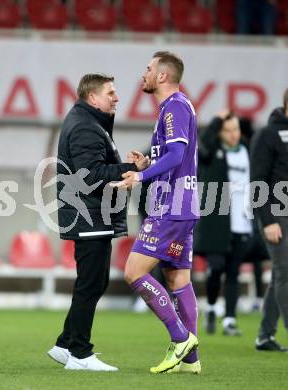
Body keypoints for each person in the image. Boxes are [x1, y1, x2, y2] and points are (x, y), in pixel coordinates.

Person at [47, 73, 149, 371]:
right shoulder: (85, 127)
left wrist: (131, 168)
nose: (116, 97)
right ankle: (80, 354)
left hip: (92, 214)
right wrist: (130, 169)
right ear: (93, 97)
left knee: (92, 282)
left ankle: (65, 344)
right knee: (91, 283)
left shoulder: (88, 123)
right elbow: (89, 175)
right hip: (90, 215)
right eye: (111, 92)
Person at [111, 51, 200, 374]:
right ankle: (191, 361)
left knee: (134, 272)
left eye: (148, 68)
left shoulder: (174, 106)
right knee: (178, 278)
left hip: (171, 206)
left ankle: (180, 339)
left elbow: (177, 154)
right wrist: (149, 163)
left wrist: (141, 176)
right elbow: (177, 156)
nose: (144, 73)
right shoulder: (179, 106)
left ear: (162, 76)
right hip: (183, 203)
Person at [194, 110, 268, 336]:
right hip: (218, 223)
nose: (233, 134)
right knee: (215, 269)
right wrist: (215, 120)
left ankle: (229, 320)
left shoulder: (246, 150)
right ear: (219, 132)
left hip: (242, 223)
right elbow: (203, 142)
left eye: (235, 129)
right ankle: (213, 307)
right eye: (227, 130)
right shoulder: (212, 151)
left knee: (234, 273)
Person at [251, 88, 288, 352]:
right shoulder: (268, 135)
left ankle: (265, 335)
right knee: (285, 274)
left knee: (279, 276)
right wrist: (268, 220)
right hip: (276, 214)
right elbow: (258, 182)